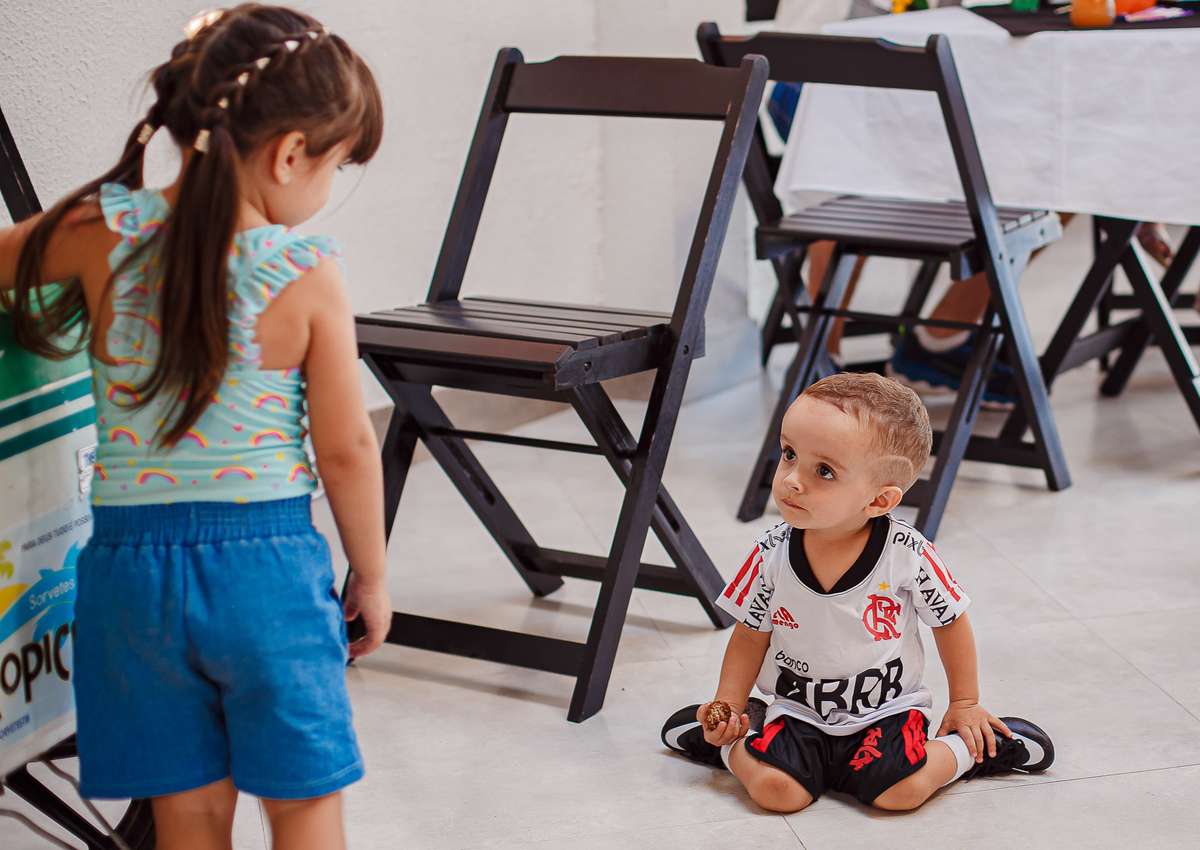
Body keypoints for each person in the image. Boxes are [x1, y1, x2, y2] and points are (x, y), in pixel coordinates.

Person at [0, 6, 389, 849]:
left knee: (190, 818)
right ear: (289, 153)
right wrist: (372, 575)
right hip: (265, 575)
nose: (327, 188)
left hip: (128, 584)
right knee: (302, 806)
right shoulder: (304, 272)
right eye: (335, 165)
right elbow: (347, 449)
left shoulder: (100, 233)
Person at [660, 372, 1053, 813]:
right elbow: (751, 637)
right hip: (798, 711)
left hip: (887, 711)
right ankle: (731, 742)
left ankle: (974, 750)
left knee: (899, 793)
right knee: (777, 794)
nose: (791, 480)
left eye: (824, 471)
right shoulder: (770, 554)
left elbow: (951, 621)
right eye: (789, 454)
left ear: (879, 501)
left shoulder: (907, 554)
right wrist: (729, 704)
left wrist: (965, 703)